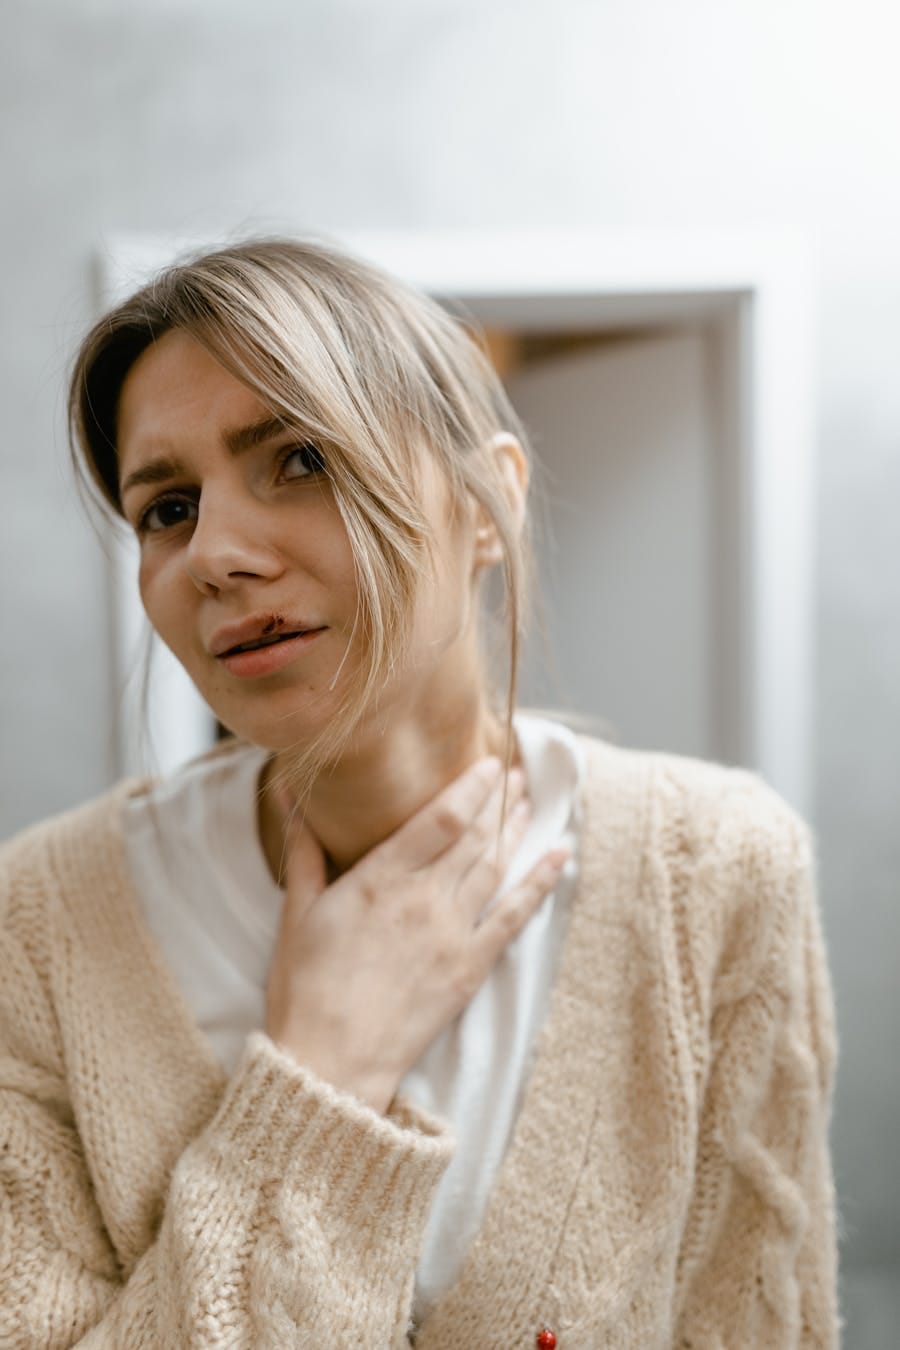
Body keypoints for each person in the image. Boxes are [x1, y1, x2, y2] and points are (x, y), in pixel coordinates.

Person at [0, 238, 841, 1348]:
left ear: (488, 504)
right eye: (167, 508)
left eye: (298, 458)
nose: (216, 553)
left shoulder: (716, 867)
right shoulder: (44, 921)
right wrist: (319, 1079)